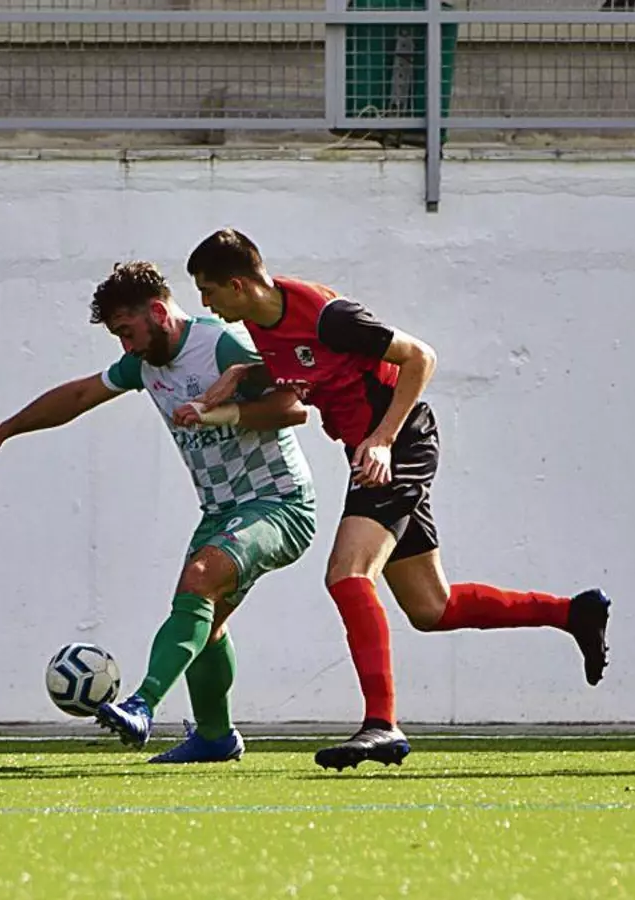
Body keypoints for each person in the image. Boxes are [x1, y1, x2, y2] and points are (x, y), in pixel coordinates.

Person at [182, 228, 612, 771]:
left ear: (238, 285)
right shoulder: (260, 323)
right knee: (432, 608)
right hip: (370, 451)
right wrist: (247, 373)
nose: (206, 304)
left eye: (208, 290)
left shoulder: (328, 314)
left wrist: (383, 439)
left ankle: (381, 724)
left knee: (347, 573)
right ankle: (574, 612)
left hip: (398, 442)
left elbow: (420, 358)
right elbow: (307, 363)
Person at [0, 261, 317, 764]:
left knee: (199, 580)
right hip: (221, 512)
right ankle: (216, 737)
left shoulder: (220, 344)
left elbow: (293, 407)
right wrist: (4, 430)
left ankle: (141, 704)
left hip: (279, 501)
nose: (125, 347)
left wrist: (218, 412)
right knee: (204, 627)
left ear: (157, 311)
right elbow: (80, 395)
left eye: (126, 332)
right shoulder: (145, 365)